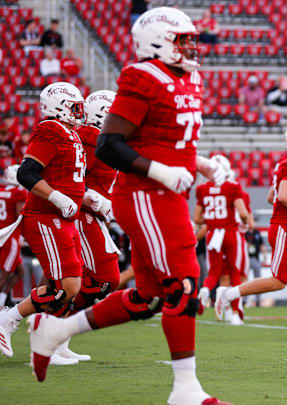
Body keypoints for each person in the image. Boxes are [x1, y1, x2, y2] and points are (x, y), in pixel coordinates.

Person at [25, 9, 233, 403]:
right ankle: (186, 391)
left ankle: (56, 330)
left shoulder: (189, 77)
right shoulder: (142, 76)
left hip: (167, 194)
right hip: (144, 196)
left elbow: (165, 139)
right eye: (182, 39)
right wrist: (162, 171)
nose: (191, 47)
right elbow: (111, 145)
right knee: (184, 286)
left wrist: (200, 163)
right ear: (156, 42)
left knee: (148, 298)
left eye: (191, 39)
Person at [0, 82, 96, 364]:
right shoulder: (51, 129)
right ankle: (10, 320)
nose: (80, 112)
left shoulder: (71, 133)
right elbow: (27, 173)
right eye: (75, 107)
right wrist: (56, 198)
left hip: (64, 217)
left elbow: (69, 178)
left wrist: (86, 199)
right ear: (58, 107)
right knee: (68, 286)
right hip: (47, 217)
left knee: (66, 283)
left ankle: (48, 343)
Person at [215, 124, 287, 340]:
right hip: (286, 227)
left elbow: (271, 197)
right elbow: (283, 196)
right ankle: (229, 294)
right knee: (280, 280)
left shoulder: (286, 165)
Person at [73, 89, 120, 319]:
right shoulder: (90, 137)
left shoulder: (101, 139)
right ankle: (50, 322)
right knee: (105, 278)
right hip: (82, 214)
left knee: (66, 278)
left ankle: (52, 329)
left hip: (91, 214)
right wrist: (95, 200)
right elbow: (70, 179)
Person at [194, 155, 250, 326]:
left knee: (213, 273)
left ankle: (204, 291)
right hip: (230, 233)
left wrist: (212, 220)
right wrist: (245, 223)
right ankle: (234, 314)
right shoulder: (232, 187)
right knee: (235, 273)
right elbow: (243, 213)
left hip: (212, 234)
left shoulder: (202, 189)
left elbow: (197, 218)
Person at [0, 165, 27, 307]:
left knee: (19, 271)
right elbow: (20, 216)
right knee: (4, 275)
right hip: (10, 238)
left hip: (1, 234)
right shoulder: (19, 193)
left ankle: (2, 300)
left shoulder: (1, 190)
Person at [243, 224, 264, 307]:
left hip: (255, 258)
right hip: (246, 258)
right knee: (245, 280)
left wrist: (264, 254)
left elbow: (261, 244)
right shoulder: (245, 233)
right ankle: (244, 300)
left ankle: (258, 300)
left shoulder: (257, 232)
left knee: (258, 280)